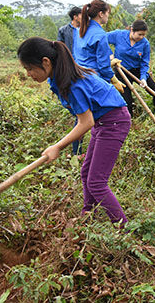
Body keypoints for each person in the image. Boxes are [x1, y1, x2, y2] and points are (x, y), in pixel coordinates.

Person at [18, 37, 130, 224]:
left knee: (96, 182)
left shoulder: (72, 84)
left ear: (46, 62)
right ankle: (87, 216)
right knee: (86, 172)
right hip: (103, 121)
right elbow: (84, 120)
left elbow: (86, 122)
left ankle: (125, 229)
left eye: (30, 68)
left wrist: (57, 146)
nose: (28, 74)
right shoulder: (59, 77)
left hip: (114, 122)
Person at [108, 20, 155, 121]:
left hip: (138, 71)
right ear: (132, 30)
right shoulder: (118, 35)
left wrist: (143, 78)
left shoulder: (145, 43)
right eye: (139, 34)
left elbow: (144, 62)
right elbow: (101, 39)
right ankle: (129, 123)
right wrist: (109, 54)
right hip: (122, 72)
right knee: (127, 101)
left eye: (143, 35)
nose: (141, 37)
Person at [74, 0, 125, 94]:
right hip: (95, 80)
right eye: (108, 13)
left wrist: (110, 63)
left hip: (80, 76)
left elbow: (83, 56)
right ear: (101, 14)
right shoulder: (100, 35)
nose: (108, 16)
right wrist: (114, 80)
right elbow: (103, 66)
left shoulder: (79, 31)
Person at [57, 6, 83, 155]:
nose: (83, 17)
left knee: (81, 115)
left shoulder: (85, 30)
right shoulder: (63, 31)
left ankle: (77, 151)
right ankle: (76, 151)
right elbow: (59, 50)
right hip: (69, 71)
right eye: (81, 15)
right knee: (80, 115)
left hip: (82, 71)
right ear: (75, 16)